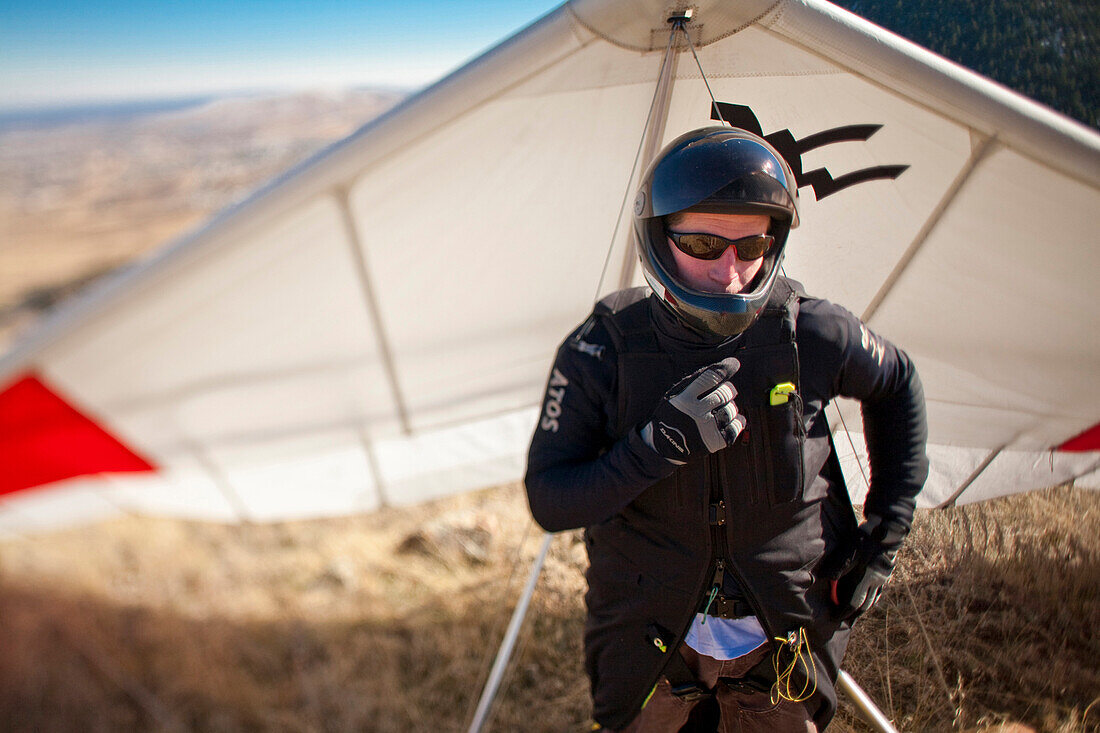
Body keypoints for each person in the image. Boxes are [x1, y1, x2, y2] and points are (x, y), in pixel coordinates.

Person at [524, 127, 928, 732]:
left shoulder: (811, 332)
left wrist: (885, 533)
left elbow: (899, 383)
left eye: (753, 244)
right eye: (705, 242)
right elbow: (551, 499)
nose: (731, 271)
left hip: (784, 637)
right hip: (649, 641)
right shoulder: (605, 347)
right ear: (660, 236)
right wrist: (653, 449)